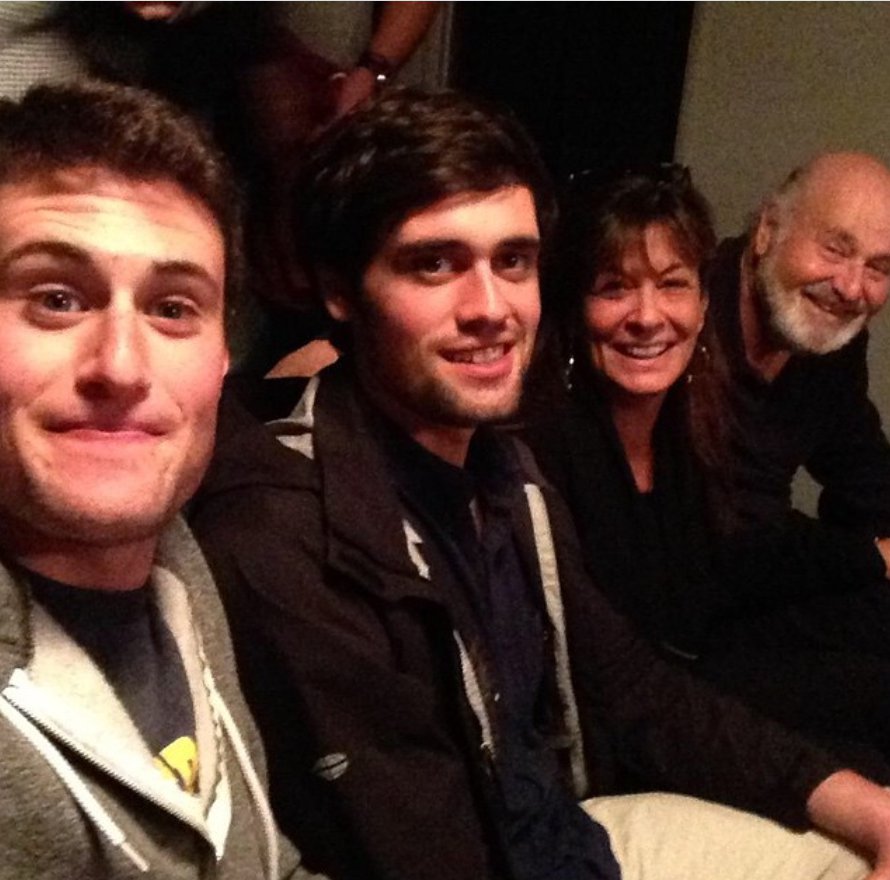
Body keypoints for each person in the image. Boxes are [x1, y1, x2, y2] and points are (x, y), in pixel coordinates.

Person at [190, 88, 890, 880]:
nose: (490, 308)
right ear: (340, 291)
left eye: (513, 261)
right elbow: (424, 852)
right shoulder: (290, 542)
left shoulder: (504, 473)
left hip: (570, 838)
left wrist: (861, 803)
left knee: (850, 843)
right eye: (434, 263)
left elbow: (634, 685)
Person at [0, 79, 313, 879]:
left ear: (220, 361)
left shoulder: (168, 552)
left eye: (173, 308)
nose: (122, 367)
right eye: (57, 298)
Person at [526, 167, 890, 777]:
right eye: (836, 248)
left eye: (879, 267)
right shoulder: (563, 435)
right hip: (656, 688)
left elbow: (861, 478)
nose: (851, 286)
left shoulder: (687, 407)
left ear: (697, 302)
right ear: (766, 233)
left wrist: (873, 558)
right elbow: (623, 680)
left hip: (722, 613)